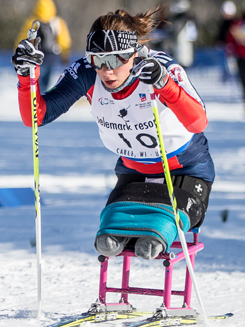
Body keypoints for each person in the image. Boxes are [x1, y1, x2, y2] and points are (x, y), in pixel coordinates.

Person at [12, 7, 213, 261]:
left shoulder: (158, 68)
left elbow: (198, 122)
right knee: (110, 232)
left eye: (116, 60)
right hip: (134, 170)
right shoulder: (87, 72)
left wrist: (165, 85)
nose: (107, 70)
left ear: (133, 54)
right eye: (98, 60)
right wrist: (26, 77)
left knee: (158, 230)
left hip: (185, 169)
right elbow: (36, 116)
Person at [16, 0, 72, 90]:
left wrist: (17, 52)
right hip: (51, 56)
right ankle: (41, 97)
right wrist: (65, 55)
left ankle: (34, 98)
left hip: (35, 57)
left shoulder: (32, 22)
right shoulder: (57, 22)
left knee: (35, 80)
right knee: (45, 81)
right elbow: (64, 40)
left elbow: (22, 38)